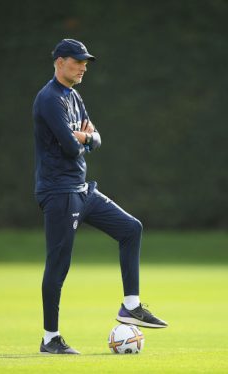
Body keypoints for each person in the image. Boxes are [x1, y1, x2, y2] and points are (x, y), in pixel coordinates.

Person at [33, 39, 168, 355]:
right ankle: (50, 338)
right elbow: (69, 146)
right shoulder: (49, 99)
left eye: (85, 63)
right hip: (59, 191)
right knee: (59, 264)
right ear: (60, 62)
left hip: (81, 188)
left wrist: (85, 137)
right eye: (78, 61)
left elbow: (95, 136)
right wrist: (82, 138)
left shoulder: (74, 96)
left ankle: (131, 306)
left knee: (131, 228)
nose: (83, 67)